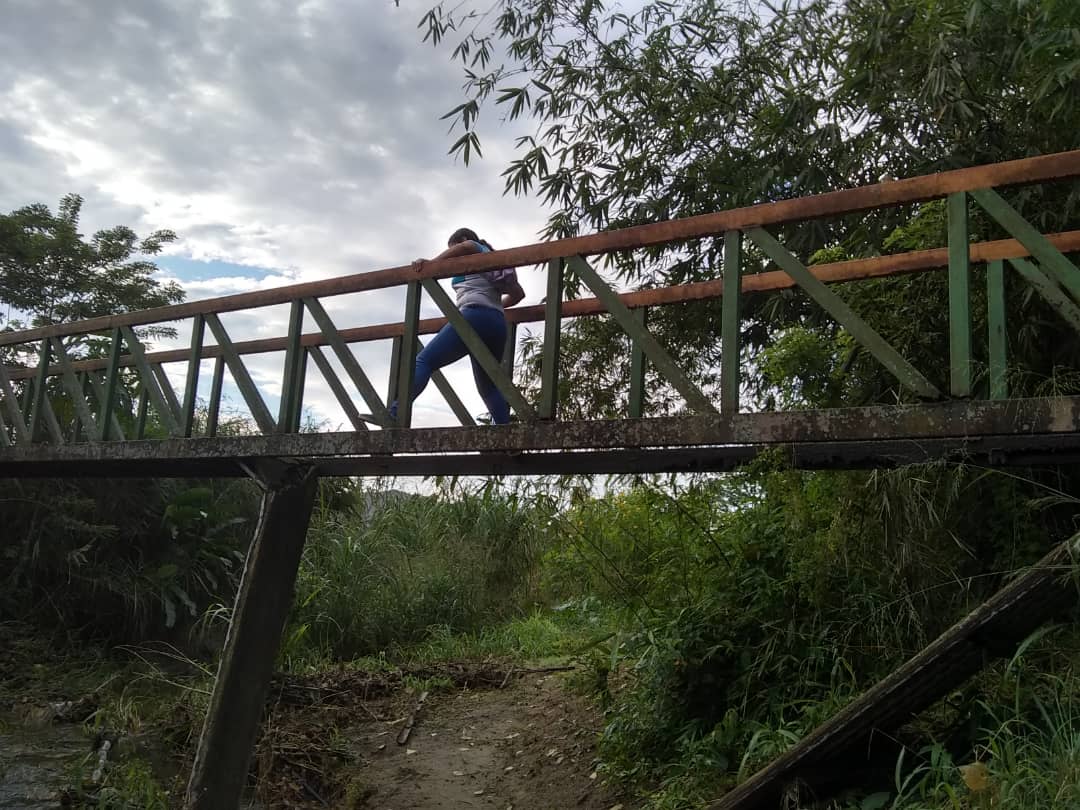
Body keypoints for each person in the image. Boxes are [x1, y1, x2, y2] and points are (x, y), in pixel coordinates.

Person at [390, 227, 525, 425]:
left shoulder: (474, 247)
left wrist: (432, 264)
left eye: (453, 250)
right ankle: (505, 433)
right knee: (488, 386)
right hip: (496, 323)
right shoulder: (493, 260)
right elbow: (519, 294)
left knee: (424, 361)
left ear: (461, 240)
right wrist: (492, 307)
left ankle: (394, 413)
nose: (452, 259)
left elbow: (468, 246)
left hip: (473, 316)